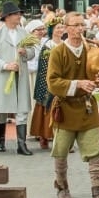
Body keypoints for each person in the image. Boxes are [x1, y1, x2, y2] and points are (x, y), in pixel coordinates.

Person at [47, 12, 99, 198]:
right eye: (74, 25)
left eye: (81, 25)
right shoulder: (58, 52)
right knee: (60, 152)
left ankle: (97, 192)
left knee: (95, 152)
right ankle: (61, 185)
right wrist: (78, 84)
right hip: (64, 108)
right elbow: (52, 82)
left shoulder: (90, 49)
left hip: (87, 108)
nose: (79, 29)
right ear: (66, 28)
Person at [0, 1, 38, 154]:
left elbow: (32, 51)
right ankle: (1, 141)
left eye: (19, 14)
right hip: (4, 75)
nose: (19, 16)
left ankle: (21, 144)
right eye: (16, 14)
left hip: (20, 75)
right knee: (1, 110)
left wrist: (25, 53)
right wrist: (5, 65)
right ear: (7, 17)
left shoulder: (23, 33)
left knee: (22, 108)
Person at [29, 20, 61, 150]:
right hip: (48, 81)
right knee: (46, 106)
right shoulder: (48, 46)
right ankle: (44, 136)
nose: (60, 30)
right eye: (58, 28)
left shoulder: (64, 44)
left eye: (62, 27)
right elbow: (43, 67)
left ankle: (61, 138)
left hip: (62, 81)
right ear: (52, 30)